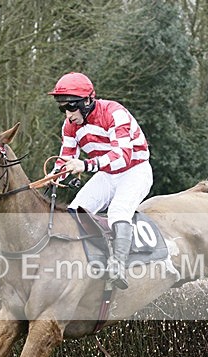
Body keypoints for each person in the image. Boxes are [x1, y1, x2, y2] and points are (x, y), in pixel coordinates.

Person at [49, 72, 153, 290]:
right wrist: (56, 174)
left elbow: (122, 156)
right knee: (75, 211)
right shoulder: (70, 126)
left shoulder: (115, 113)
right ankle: (84, 262)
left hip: (135, 170)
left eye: (71, 106)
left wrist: (86, 165)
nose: (68, 114)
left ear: (87, 101)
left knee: (118, 211)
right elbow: (66, 157)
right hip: (107, 174)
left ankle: (119, 266)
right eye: (63, 108)